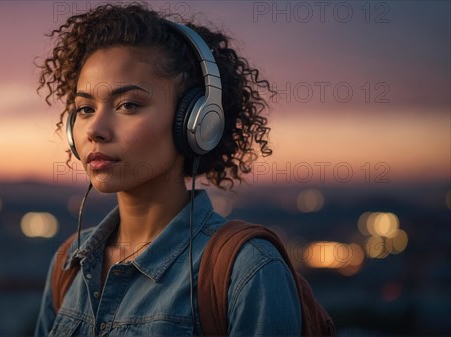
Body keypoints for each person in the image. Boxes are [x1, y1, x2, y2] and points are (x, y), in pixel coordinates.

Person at [34, 3, 301, 336]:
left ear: (197, 121)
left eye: (128, 105)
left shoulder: (247, 269)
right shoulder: (69, 264)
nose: (95, 129)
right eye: (85, 108)